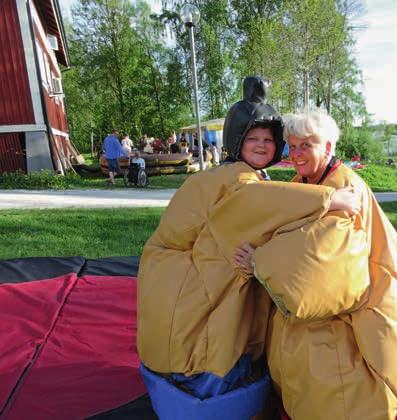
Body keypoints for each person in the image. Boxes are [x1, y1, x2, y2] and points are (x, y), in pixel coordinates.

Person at [136, 77, 359, 420]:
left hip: (168, 276)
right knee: (219, 324)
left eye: (268, 140)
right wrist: (331, 198)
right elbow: (257, 203)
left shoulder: (236, 176)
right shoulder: (234, 179)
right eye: (252, 138)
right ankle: (209, 387)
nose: (260, 145)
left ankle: (200, 383)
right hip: (184, 279)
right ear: (235, 141)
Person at [234, 110, 397, 419]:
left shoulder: (346, 187)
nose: (296, 154)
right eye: (292, 146)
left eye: (305, 145)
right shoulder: (306, 180)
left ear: (327, 147)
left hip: (357, 299)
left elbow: (320, 262)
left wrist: (259, 261)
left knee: (340, 380)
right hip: (318, 299)